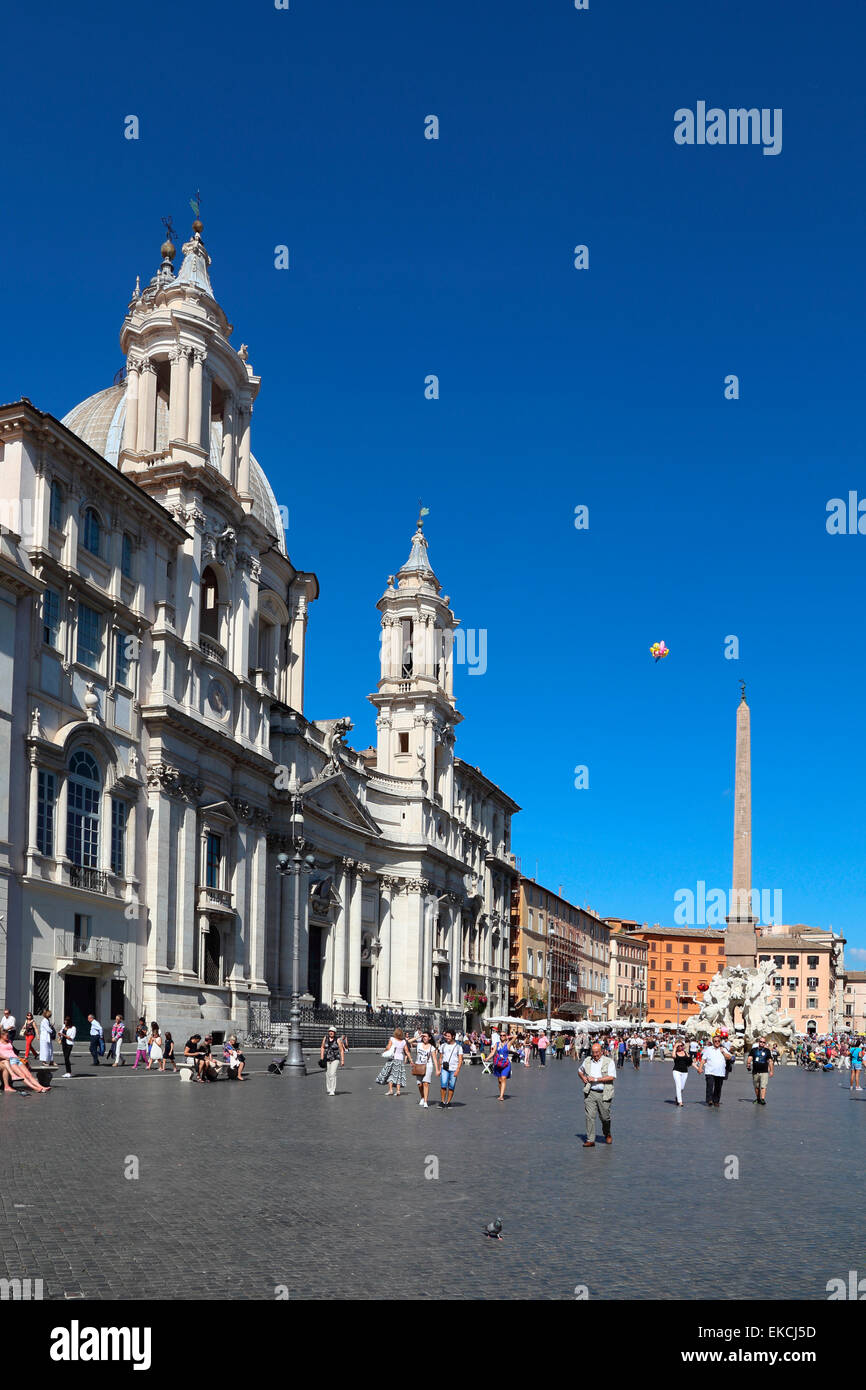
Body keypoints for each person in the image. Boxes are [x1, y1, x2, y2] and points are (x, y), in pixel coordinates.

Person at [578, 1041, 616, 1146]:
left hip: (604, 1093)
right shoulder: (587, 1061)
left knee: (605, 1117)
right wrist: (583, 1077)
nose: (595, 1055)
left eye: (597, 1052)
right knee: (589, 1116)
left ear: (602, 1052)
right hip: (590, 1092)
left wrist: (596, 1079)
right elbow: (580, 1071)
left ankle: (607, 1133)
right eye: (593, 1052)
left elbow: (612, 1077)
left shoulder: (609, 1061)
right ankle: (590, 1140)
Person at [697, 1034, 733, 1106]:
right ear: (713, 1042)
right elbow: (703, 1059)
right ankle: (709, 1100)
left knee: (718, 1087)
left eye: (718, 1041)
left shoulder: (724, 1049)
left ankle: (716, 1101)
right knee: (710, 1086)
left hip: (720, 1072)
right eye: (715, 1041)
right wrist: (700, 1068)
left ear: (720, 1042)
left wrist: (723, 1052)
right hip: (710, 1071)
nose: (717, 1042)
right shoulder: (708, 1049)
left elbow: (729, 1057)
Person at [375, 1027, 411, 1097]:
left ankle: (391, 1090)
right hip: (400, 1059)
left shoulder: (392, 1039)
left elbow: (388, 1047)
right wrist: (411, 1060)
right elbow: (407, 1051)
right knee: (398, 1075)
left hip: (392, 1059)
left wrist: (385, 1050)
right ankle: (398, 1091)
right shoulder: (403, 1041)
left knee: (390, 1074)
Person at [437, 1029, 463, 1107]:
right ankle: (442, 1101)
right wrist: (439, 1068)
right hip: (444, 1068)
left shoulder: (458, 1047)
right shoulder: (443, 1045)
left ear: (453, 1036)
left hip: (454, 1069)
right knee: (443, 1084)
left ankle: (448, 1102)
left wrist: (458, 1070)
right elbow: (440, 1058)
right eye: (446, 1036)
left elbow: (460, 1059)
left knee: (451, 1086)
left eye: (448, 1036)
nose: (447, 1037)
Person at [746, 1034, 774, 1105]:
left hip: (764, 1071)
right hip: (755, 1071)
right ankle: (758, 1098)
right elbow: (750, 1057)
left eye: (763, 1042)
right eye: (761, 1041)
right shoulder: (753, 1050)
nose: (762, 1043)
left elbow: (770, 1061)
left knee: (763, 1086)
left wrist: (771, 1071)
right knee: (756, 1086)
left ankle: (762, 1099)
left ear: (765, 1043)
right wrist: (748, 1063)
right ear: (759, 1042)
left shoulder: (767, 1051)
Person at [485, 1033, 512, 1102]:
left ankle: (501, 1096)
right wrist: (487, 1058)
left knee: (503, 1078)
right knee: (500, 1081)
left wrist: (508, 1036)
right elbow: (493, 1053)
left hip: (506, 1064)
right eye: (501, 1035)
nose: (502, 1036)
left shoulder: (508, 1043)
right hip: (498, 1064)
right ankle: (501, 1093)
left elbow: (515, 1036)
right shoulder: (497, 1044)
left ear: (506, 1036)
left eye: (503, 1035)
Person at [412, 1029, 435, 1107]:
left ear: (429, 1038)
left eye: (426, 1036)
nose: (424, 1038)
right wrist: (418, 1036)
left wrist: (437, 1069)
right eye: (423, 1037)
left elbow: (434, 1059)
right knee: (419, 1084)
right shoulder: (419, 1044)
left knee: (425, 1083)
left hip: (428, 1066)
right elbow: (408, 1042)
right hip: (419, 1065)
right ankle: (422, 1097)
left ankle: (425, 1101)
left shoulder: (432, 1047)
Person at [320, 1025, 345, 1096]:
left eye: (332, 1031)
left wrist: (342, 1060)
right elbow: (322, 1047)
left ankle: (332, 1090)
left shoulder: (338, 1040)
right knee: (327, 1074)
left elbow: (341, 1050)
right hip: (327, 1059)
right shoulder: (325, 1038)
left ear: (335, 1033)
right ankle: (329, 1088)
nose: (331, 1032)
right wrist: (322, 1058)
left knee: (332, 1074)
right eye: (330, 1031)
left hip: (335, 1059)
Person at [672, 1038, 692, 1106]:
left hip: (685, 1072)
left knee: (682, 1087)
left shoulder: (686, 1053)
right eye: (678, 1046)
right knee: (678, 1086)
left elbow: (690, 1062)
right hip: (676, 1071)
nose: (680, 1047)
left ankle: (677, 1097)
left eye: (681, 1045)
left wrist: (698, 1068)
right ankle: (680, 1102)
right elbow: (673, 1056)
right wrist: (675, 1046)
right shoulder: (675, 1053)